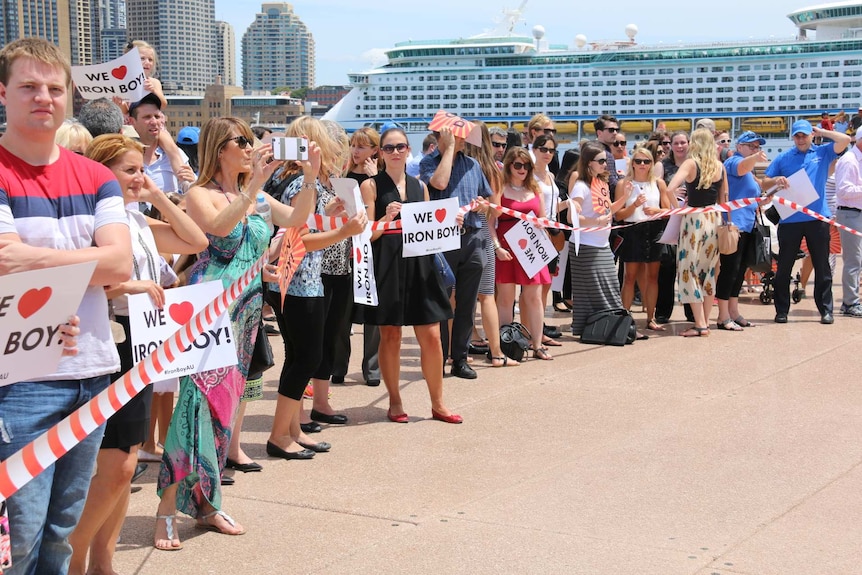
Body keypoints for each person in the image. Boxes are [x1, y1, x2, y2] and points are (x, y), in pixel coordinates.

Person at [0, 37, 132, 574]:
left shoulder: (97, 176)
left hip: (91, 372)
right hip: (20, 376)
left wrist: (29, 258)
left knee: (61, 534)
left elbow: (121, 266)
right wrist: (90, 261)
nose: (43, 98)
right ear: (2, 93)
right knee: (21, 536)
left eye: (55, 88)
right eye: (28, 86)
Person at [154, 116, 315, 550]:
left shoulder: (258, 194)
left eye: (250, 140)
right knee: (192, 407)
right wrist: (252, 186)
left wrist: (312, 175)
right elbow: (220, 229)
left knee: (224, 411)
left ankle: (206, 503)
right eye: (240, 141)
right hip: (206, 312)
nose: (249, 147)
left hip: (244, 316)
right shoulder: (198, 193)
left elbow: (298, 217)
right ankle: (166, 509)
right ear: (218, 148)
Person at [69, 134, 207, 575]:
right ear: (101, 172)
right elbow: (82, 277)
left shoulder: (137, 219)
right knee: (118, 464)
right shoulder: (90, 218)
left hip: (144, 340)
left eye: (140, 169)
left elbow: (196, 240)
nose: (138, 177)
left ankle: (102, 561)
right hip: (110, 337)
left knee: (125, 463)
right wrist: (130, 286)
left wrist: (156, 195)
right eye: (129, 170)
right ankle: (72, 554)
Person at [265, 116, 366, 462]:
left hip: (301, 281)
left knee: (299, 356)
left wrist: (331, 215)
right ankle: (281, 434)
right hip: (299, 283)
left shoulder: (295, 181)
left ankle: (291, 431)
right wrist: (343, 231)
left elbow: (303, 225)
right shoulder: (298, 183)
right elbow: (300, 238)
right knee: (305, 357)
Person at [355, 128, 461, 422]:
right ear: (380, 152)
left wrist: (453, 223)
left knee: (432, 336)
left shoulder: (421, 186)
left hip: (420, 266)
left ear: (408, 149)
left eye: (401, 146)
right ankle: (395, 401)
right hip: (388, 265)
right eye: (389, 148)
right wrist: (385, 219)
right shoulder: (371, 186)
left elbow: (433, 232)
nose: (396, 152)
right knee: (390, 336)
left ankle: (438, 403)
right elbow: (365, 235)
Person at [420, 125, 493, 379]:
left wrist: (483, 205)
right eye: (458, 136)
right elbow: (438, 182)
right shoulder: (429, 162)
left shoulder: (473, 164)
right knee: (441, 301)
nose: (465, 141)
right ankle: (437, 358)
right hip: (442, 240)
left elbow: (487, 199)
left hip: (472, 237)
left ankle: (460, 358)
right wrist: (449, 147)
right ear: (444, 136)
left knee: (467, 301)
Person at [765, 119, 850, 324]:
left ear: (811, 136)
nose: (801, 139)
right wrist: (776, 181)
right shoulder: (784, 157)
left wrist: (822, 131)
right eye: (797, 136)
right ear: (793, 137)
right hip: (790, 220)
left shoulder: (822, 152)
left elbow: (845, 139)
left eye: (804, 135)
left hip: (817, 218)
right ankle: (781, 310)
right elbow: (765, 181)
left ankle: (826, 310)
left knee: (822, 266)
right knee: (784, 267)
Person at [464, 120, 518, 367]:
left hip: (464, 231)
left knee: (461, 296)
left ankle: (468, 342)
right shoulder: (492, 168)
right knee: (486, 295)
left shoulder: (462, 164)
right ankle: (496, 352)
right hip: (483, 230)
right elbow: (495, 209)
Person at [665, 128, 728, 337]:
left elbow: (669, 188)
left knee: (688, 269)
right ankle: (706, 322)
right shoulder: (720, 166)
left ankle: (700, 324)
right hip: (714, 218)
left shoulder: (691, 164)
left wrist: (678, 209)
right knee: (709, 272)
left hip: (694, 220)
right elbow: (724, 199)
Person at [492, 147, 552, 359]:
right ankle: (506, 345)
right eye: (518, 165)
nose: (522, 169)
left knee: (534, 297)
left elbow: (543, 219)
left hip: (530, 247)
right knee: (506, 299)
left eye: (526, 165)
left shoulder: (535, 189)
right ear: (509, 166)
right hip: (507, 247)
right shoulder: (500, 188)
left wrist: (542, 230)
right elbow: (492, 222)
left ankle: (537, 345)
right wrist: (497, 247)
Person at [336, 127, 383, 385]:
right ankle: (338, 365)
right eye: (354, 145)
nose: (356, 151)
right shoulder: (342, 172)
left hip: (371, 248)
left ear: (375, 150)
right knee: (341, 312)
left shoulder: (380, 177)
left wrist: (376, 180)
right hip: (342, 247)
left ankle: (372, 367)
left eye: (362, 146)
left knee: (371, 312)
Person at [567, 142, 627, 336]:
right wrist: (595, 220)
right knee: (596, 290)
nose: (605, 165)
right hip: (586, 245)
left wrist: (625, 197)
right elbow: (571, 218)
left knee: (606, 287)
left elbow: (610, 210)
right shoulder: (581, 187)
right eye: (601, 161)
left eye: (606, 161)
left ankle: (608, 325)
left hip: (601, 244)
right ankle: (605, 326)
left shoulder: (599, 184)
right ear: (589, 163)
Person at [615, 145, 673, 331]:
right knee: (629, 276)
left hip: (653, 229)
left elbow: (668, 211)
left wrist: (656, 211)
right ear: (632, 163)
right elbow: (618, 215)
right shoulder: (624, 184)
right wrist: (634, 206)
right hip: (633, 229)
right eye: (638, 161)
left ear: (651, 164)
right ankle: (625, 316)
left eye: (646, 161)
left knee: (653, 277)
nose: (642, 164)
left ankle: (650, 317)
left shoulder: (658, 183)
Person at [715, 131, 769, 331]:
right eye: (751, 146)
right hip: (733, 225)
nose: (755, 150)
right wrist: (755, 158)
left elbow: (755, 195)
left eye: (757, 147)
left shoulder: (750, 172)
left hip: (748, 224)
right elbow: (740, 167)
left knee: (739, 271)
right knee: (729, 270)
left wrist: (767, 196)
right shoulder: (733, 162)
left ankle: (734, 311)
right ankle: (722, 315)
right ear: (739, 147)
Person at [530, 133, 563, 345]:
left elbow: (552, 207)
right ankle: (535, 332)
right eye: (543, 149)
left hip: (551, 233)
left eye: (551, 150)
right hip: (534, 234)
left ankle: (539, 329)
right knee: (535, 288)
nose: (548, 154)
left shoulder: (550, 175)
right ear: (534, 150)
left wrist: (567, 206)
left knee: (547, 284)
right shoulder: (530, 175)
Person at [656, 130, 691, 324]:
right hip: (668, 220)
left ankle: (690, 310)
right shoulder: (663, 165)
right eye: (676, 143)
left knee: (687, 267)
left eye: (682, 143)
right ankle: (663, 311)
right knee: (667, 266)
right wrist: (671, 192)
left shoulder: (694, 164)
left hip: (689, 221)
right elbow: (657, 185)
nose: (679, 146)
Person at [128, 93, 194, 195]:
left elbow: (189, 191)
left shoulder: (175, 154)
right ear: (132, 121)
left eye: (157, 116)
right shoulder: (124, 157)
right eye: (147, 117)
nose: (154, 122)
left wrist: (191, 183)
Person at [832, 134, 862, 317]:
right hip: (851, 213)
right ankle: (850, 303)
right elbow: (844, 190)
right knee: (854, 260)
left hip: (856, 212)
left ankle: (852, 301)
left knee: (857, 260)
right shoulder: (849, 161)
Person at [594, 115, 622, 192]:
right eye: (611, 130)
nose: (615, 133)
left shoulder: (593, 149)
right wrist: (622, 177)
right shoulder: (606, 154)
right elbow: (612, 183)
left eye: (617, 130)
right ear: (599, 133)